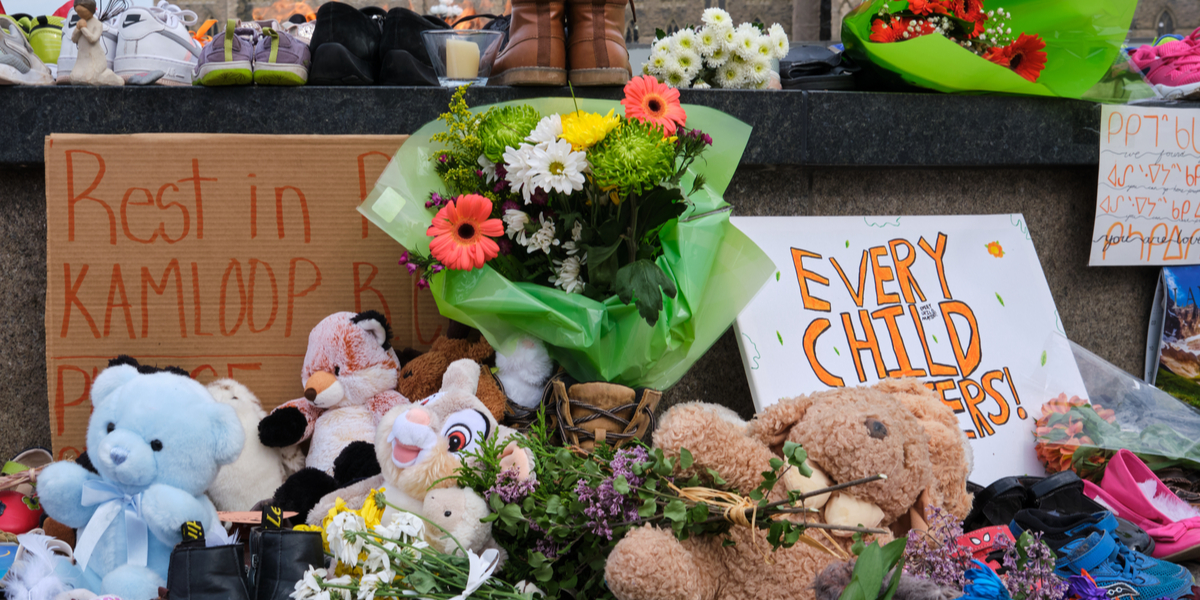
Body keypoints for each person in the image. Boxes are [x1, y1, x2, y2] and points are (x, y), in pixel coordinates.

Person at [70, 0, 124, 85]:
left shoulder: (97, 24)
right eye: (78, 12)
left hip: (95, 57)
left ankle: (114, 78)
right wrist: (78, 29)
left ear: (90, 10)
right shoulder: (80, 23)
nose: (80, 15)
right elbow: (73, 39)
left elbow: (93, 39)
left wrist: (83, 28)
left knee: (91, 78)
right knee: (74, 78)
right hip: (82, 58)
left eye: (82, 12)